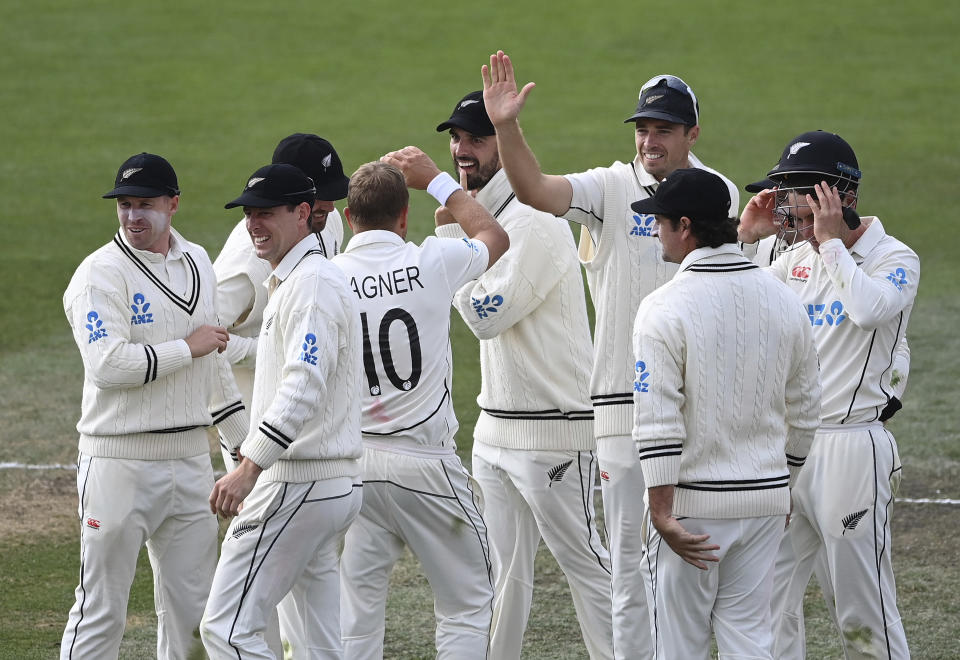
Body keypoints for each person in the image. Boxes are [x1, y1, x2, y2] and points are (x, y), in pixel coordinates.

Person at [480, 50, 740, 658]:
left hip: (702, 409)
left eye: (664, 130)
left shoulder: (719, 193)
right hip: (622, 410)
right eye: (644, 128)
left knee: (698, 566)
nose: (650, 140)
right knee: (629, 569)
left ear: (692, 134)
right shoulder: (612, 188)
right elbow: (535, 189)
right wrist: (506, 127)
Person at [434, 90, 613, 659]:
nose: (463, 150)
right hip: (494, 429)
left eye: (476, 138)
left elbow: (486, 317)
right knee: (496, 579)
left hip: (555, 431)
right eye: (457, 138)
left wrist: (450, 235)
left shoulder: (536, 223)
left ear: (501, 144)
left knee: (590, 570)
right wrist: (460, 229)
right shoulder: (485, 219)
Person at [61, 152, 250, 659]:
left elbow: (215, 371)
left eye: (145, 204)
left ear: (174, 204)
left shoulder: (200, 265)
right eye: (124, 205)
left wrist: (242, 456)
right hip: (118, 462)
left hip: (190, 463)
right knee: (102, 610)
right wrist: (186, 347)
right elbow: (109, 366)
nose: (132, 216)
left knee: (195, 614)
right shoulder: (98, 275)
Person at [738, 130, 918, 659]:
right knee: (765, 603)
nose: (784, 206)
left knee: (861, 607)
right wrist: (745, 240)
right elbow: (729, 303)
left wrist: (832, 242)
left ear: (837, 194)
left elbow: (867, 310)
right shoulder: (795, 260)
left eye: (793, 191)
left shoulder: (894, 257)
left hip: (853, 451)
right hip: (790, 450)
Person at [630, 167, 821, 658]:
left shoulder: (663, 307)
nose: (657, 231)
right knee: (752, 641)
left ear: (686, 226)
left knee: (677, 646)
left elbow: (657, 418)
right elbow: (805, 410)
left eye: (661, 222)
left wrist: (661, 511)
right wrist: (784, 484)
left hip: (693, 512)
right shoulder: (784, 299)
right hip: (764, 501)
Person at [334, 154, 508, 659]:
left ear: (350, 217)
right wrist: (439, 182)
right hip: (426, 466)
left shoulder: (327, 277)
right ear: (404, 215)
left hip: (356, 467)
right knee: (468, 601)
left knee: (355, 614)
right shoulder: (432, 260)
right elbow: (495, 237)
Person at [200, 163, 363, 659]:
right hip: (325, 484)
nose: (253, 224)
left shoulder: (310, 285)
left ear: (302, 214)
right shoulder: (295, 281)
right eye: (249, 214)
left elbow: (303, 385)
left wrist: (248, 469)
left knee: (226, 629)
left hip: (300, 484)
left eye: (266, 213)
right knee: (317, 644)